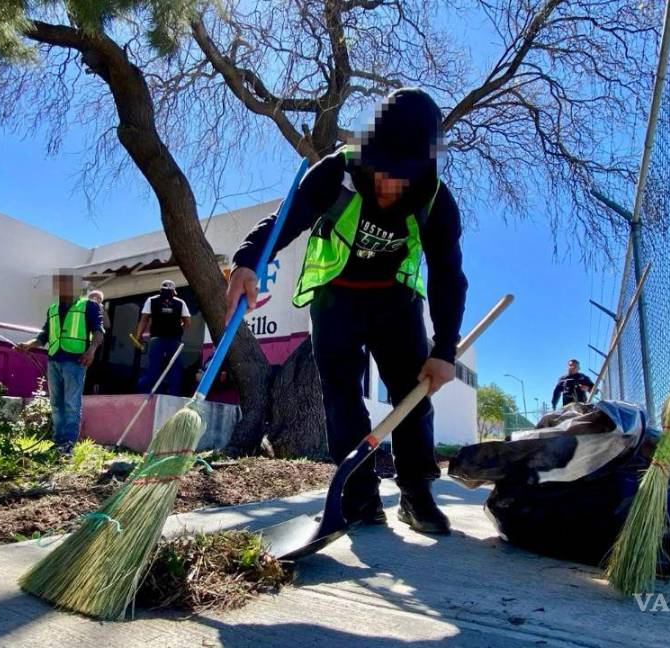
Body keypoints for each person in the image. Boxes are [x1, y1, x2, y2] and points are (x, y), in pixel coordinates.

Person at [226, 88, 467, 535]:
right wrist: (246, 262)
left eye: (402, 175)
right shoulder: (333, 174)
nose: (388, 183)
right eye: (381, 168)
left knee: (412, 396)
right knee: (341, 397)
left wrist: (446, 349)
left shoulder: (437, 203)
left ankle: (416, 494)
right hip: (335, 297)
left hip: (395, 302)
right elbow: (282, 223)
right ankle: (359, 497)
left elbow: (448, 277)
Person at [15, 271, 104, 455]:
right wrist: (29, 345)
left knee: (72, 403)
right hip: (54, 360)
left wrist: (91, 351)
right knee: (56, 403)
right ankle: (58, 441)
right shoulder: (53, 309)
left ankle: (68, 444)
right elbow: (44, 335)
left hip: (75, 360)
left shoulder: (89, 306)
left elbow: (98, 332)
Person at [135, 279, 190, 396]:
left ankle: (148, 394)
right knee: (174, 369)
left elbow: (144, 319)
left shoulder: (151, 300)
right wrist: (179, 329)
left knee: (153, 368)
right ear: (174, 291)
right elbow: (188, 322)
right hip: (174, 341)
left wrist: (138, 335)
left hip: (156, 340)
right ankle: (174, 396)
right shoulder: (180, 303)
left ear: (160, 290)